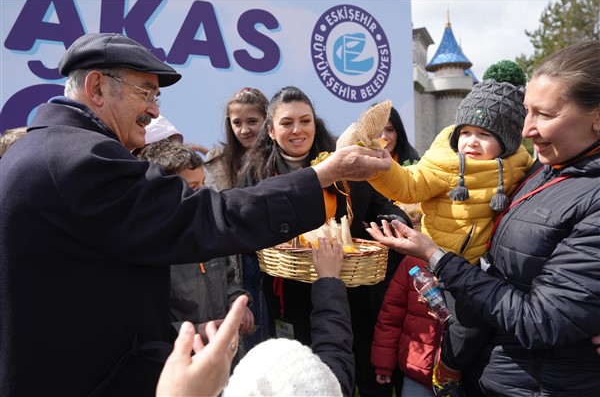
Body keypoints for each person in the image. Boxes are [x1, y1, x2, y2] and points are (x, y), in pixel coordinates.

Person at [0, 32, 390, 396]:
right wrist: (323, 175)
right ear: (97, 87)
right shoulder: (81, 157)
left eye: (157, 98)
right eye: (146, 93)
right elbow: (203, 216)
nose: (153, 111)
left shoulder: (44, 149)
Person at [366, 41, 600, 396]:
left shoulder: (569, 183)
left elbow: (541, 320)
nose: (526, 130)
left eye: (546, 115)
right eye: (527, 112)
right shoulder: (547, 168)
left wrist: (438, 258)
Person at [368, 61, 533, 395]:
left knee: (471, 329)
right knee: (451, 327)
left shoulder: (522, 168)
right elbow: (408, 185)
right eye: (466, 132)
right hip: (436, 261)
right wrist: (380, 169)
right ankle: (445, 371)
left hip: (481, 273)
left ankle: (450, 369)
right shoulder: (444, 164)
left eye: (485, 135)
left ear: (509, 142)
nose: (472, 141)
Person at [238, 85, 411, 396]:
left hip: (351, 289)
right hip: (289, 295)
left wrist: (394, 219)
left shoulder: (344, 161)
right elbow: (244, 228)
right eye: (286, 123)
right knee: (302, 376)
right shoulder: (257, 173)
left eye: (305, 120)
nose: (297, 130)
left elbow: (376, 205)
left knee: (358, 366)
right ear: (271, 131)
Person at [158, 237, 354, 397]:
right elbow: (336, 353)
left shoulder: (204, 235)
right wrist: (330, 282)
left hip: (203, 366)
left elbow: (227, 277)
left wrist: (234, 299)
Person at [136, 138, 254, 341]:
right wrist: (197, 331)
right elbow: (144, 323)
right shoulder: (151, 250)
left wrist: (238, 302)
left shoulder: (210, 232)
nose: (203, 193)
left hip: (225, 352)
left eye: (203, 184)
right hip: (181, 359)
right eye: (191, 187)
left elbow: (228, 279)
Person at [204, 87, 270, 350]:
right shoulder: (216, 163)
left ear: (267, 120)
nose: (244, 130)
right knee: (245, 335)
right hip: (234, 263)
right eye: (237, 123)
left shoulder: (276, 158)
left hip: (271, 261)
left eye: (252, 121)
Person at [371, 255, 441, 397]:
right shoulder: (413, 261)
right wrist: (384, 363)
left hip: (460, 375)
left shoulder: (477, 263)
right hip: (417, 374)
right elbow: (391, 317)